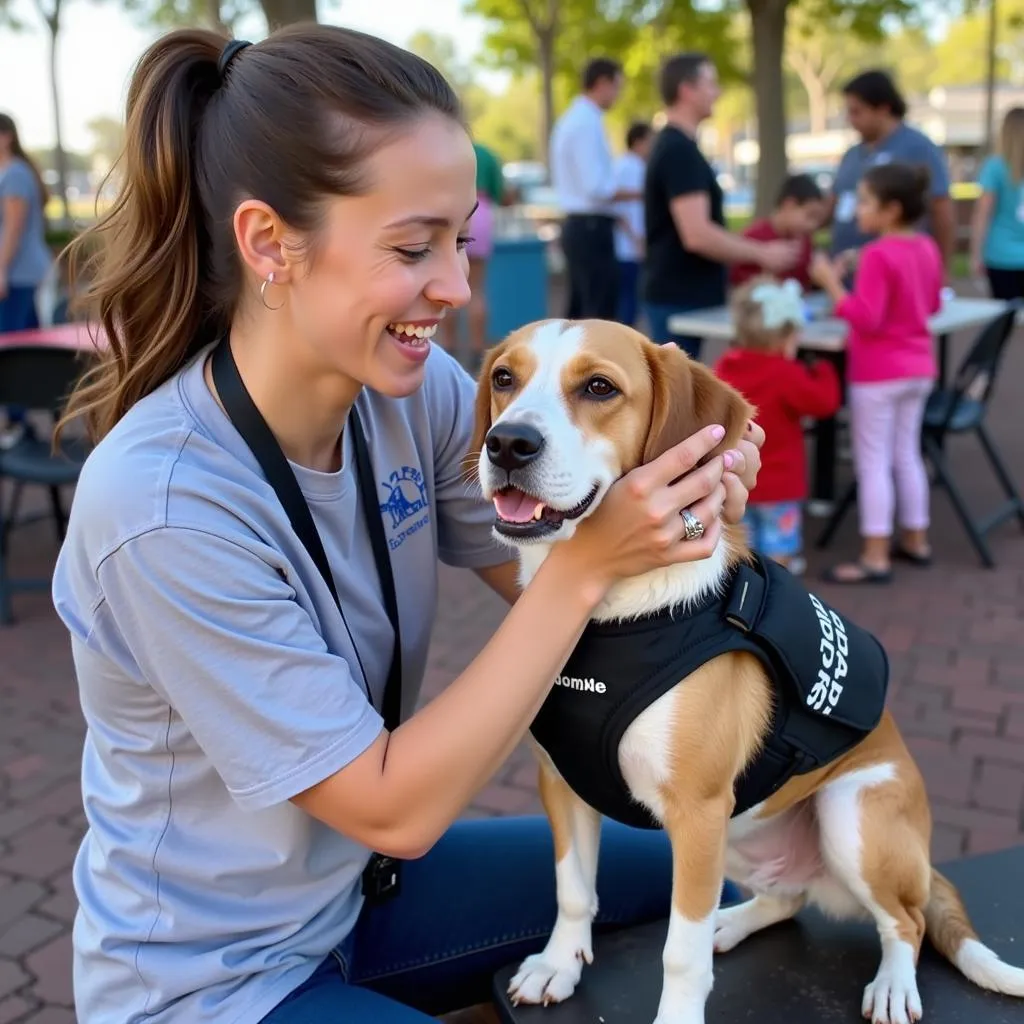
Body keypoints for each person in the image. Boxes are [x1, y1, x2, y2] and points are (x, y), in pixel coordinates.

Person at [50, 26, 764, 1024]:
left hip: (355, 896)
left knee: (705, 885)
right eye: (412, 246)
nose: (457, 286)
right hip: (214, 982)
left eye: (460, 239)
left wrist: (687, 491)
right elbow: (398, 806)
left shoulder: (408, 391)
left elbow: (579, 566)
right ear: (268, 244)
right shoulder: (163, 508)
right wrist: (587, 565)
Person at [811, 162, 941, 584]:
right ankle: (917, 539)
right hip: (919, 367)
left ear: (890, 210)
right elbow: (933, 305)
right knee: (906, 454)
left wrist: (832, 283)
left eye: (865, 201)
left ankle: (875, 555)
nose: (856, 209)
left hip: (878, 374)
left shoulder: (879, 254)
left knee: (873, 462)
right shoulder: (925, 247)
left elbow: (865, 318)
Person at [643, 52, 799, 361]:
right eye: (710, 83)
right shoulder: (679, 151)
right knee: (680, 403)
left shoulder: (677, 147)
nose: (717, 92)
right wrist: (762, 253)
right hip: (679, 300)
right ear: (686, 90)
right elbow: (697, 234)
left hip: (680, 297)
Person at [715, 277, 842, 571]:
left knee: (741, 544)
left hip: (738, 477)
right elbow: (823, 403)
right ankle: (775, 591)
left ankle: (745, 593)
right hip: (780, 484)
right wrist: (825, 369)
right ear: (785, 339)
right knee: (779, 547)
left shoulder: (725, 366)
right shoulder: (785, 373)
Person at [827, 70, 954, 277]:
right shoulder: (852, 154)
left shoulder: (918, 147)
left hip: (895, 279)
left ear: (883, 109)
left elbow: (942, 209)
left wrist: (942, 269)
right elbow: (833, 204)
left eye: (857, 111)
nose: (850, 119)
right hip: (847, 278)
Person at [550, 57, 641, 320]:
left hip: (583, 227)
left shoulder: (575, 119)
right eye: (617, 87)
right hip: (591, 229)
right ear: (602, 83)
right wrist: (643, 193)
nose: (618, 95)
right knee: (597, 316)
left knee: (581, 313)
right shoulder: (586, 122)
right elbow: (596, 188)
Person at [0, 112, 53, 449]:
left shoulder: (15, 174)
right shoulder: (11, 173)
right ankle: (29, 420)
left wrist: (1, 271)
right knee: (28, 346)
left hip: (18, 275)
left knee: (12, 350)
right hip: (18, 274)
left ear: (6, 136)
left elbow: (14, 229)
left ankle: (16, 423)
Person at [436, 140, 507, 368]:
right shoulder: (487, 153)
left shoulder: (445, 149)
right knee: (477, 288)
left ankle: (449, 347)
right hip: (481, 212)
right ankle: (477, 350)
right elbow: (501, 194)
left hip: (451, 211)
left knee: (446, 287)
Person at [729, 173, 826, 292]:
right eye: (810, 216)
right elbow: (739, 286)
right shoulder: (752, 239)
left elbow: (808, 281)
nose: (813, 225)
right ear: (789, 205)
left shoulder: (805, 240)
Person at [969, 106, 1024, 300]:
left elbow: (982, 213)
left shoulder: (995, 166)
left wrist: (975, 255)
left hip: (1001, 255)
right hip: (1004, 256)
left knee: (1005, 320)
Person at [612, 121, 652, 326]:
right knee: (630, 298)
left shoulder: (632, 166)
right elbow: (617, 208)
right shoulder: (629, 168)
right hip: (629, 245)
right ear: (638, 142)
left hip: (632, 243)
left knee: (632, 298)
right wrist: (635, 237)